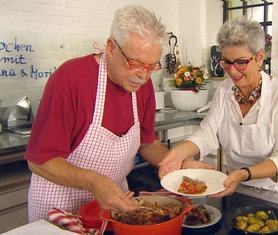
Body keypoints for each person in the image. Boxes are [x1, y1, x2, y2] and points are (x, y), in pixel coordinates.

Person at [24, 4, 209, 222]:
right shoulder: (71, 79)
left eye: (152, 67)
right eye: (135, 64)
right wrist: (95, 182)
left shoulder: (143, 87)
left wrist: (178, 164)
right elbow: (39, 161)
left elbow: (146, 143)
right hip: (60, 205)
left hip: (115, 204)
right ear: (111, 47)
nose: (143, 76)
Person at [159, 16, 278, 206]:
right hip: (239, 188)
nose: (232, 71)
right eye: (226, 62)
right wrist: (178, 154)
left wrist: (243, 173)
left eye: (240, 62)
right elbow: (207, 133)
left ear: (259, 58)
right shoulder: (225, 90)